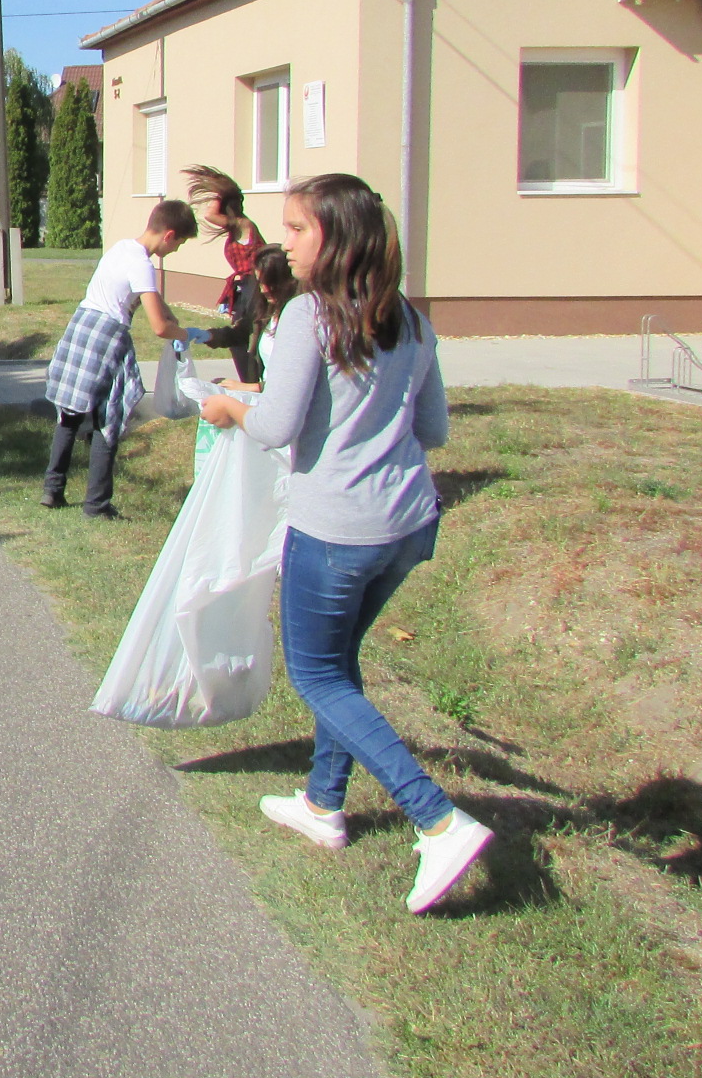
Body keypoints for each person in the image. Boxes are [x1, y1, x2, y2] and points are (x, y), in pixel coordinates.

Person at [199, 174, 490, 917]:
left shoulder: (309, 316)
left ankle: (438, 820)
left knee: (318, 676)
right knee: (341, 662)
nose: (286, 243)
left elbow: (275, 427)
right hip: (408, 524)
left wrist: (231, 407)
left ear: (338, 237)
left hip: (338, 530)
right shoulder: (411, 321)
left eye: (299, 229)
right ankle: (323, 804)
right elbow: (433, 430)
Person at [41, 199, 199, 518]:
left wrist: (169, 314)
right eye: (179, 244)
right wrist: (187, 334)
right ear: (169, 235)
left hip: (81, 325)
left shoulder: (122, 248)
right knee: (109, 416)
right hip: (106, 335)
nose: (176, 250)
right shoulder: (143, 264)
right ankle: (97, 504)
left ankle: (52, 489)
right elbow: (159, 327)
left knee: (71, 412)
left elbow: (148, 296)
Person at [183, 164, 270, 382]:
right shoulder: (238, 228)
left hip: (253, 286)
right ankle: (248, 379)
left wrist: (219, 193)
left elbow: (210, 215)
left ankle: (252, 380)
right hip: (245, 287)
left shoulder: (243, 224)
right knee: (240, 335)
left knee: (245, 335)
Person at [204, 244, 296, 387]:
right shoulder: (266, 311)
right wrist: (208, 336)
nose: (264, 289)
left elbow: (294, 380)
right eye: (260, 282)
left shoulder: (300, 320)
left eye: (270, 283)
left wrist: (248, 388)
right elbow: (242, 333)